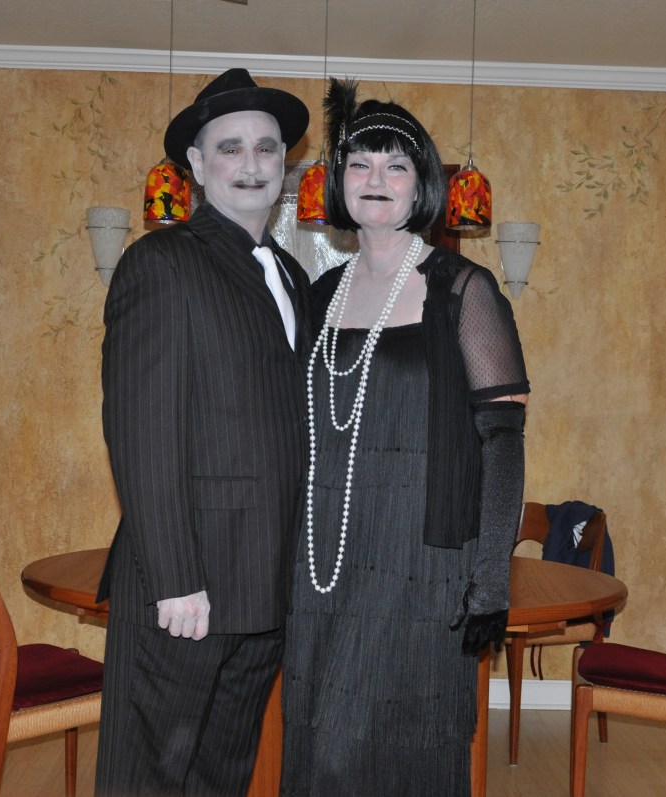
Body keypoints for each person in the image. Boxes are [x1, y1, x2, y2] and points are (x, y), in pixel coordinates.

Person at [279, 80, 530, 796]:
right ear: (338, 181)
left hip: (422, 562)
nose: (376, 179)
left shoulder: (464, 290)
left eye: (396, 166)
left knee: (399, 751)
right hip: (322, 561)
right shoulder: (319, 295)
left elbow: (503, 440)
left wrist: (491, 579)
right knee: (318, 744)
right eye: (360, 164)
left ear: (422, 185)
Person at [96, 68, 311, 796]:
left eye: (267, 148)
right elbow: (141, 432)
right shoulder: (160, 262)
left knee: (222, 775)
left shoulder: (291, 275)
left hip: (267, 586)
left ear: (285, 164)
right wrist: (176, 579)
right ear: (195, 163)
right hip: (186, 590)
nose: (251, 164)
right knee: (148, 778)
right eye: (230, 148)